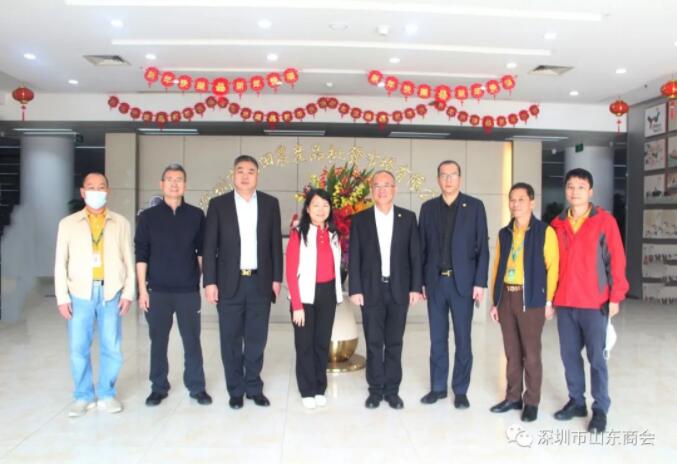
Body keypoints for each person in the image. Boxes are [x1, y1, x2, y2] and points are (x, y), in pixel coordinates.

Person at [550, 168, 628, 433]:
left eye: (581, 187)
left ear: (590, 191)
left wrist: (616, 296)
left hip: (595, 303)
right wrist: (549, 299)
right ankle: (576, 401)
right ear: (565, 190)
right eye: (570, 186)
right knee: (569, 355)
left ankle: (600, 408)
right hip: (565, 301)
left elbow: (616, 260)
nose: (575, 192)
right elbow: (551, 265)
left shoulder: (605, 222)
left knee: (597, 358)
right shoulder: (557, 224)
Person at [203, 155, 282, 409]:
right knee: (230, 340)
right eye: (240, 171)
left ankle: (254, 387)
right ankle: (235, 390)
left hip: (260, 282)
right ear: (233, 174)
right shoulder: (219, 204)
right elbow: (209, 246)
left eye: (251, 171)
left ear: (257, 175)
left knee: (257, 339)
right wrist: (210, 281)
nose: (245, 176)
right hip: (229, 283)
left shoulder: (270, 204)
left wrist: (277, 278)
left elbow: (275, 245)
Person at [54, 172, 135, 417]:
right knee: (78, 348)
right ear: (83, 192)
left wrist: (128, 292)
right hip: (80, 293)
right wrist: (62, 297)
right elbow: (60, 263)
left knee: (112, 347)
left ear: (107, 191)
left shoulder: (120, 223)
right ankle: (84, 396)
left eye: (101, 187)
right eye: (91, 187)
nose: (96, 192)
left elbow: (128, 259)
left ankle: (107, 394)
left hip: (111, 292)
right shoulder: (68, 224)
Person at [135, 164, 212, 407]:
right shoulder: (148, 217)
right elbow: (141, 255)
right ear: (162, 184)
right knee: (158, 342)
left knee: (192, 340)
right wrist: (142, 290)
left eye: (179, 179)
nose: (174, 183)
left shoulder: (196, 215)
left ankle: (197, 387)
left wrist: (202, 281)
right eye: (169, 179)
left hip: (187, 292)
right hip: (157, 291)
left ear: (185, 185)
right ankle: (158, 387)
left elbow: (202, 252)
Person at [349, 170, 422, 409]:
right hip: (371, 289)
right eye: (377, 186)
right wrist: (355, 288)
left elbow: (415, 256)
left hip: (399, 289)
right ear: (372, 190)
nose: (382, 190)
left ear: (394, 189)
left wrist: (415, 287)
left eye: (386, 185)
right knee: (373, 342)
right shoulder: (360, 220)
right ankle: (375, 390)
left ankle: (392, 391)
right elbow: (354, 257)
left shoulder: (408, 218)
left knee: (394, 342)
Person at [418, 160, 489, 409]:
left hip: (463, 285)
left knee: (463, 339)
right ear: (438, 179)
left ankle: (460, 390)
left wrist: (479, 282)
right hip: (435, 282)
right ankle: (438, 388)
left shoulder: (475, 206)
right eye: (444, 175)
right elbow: (421, 249)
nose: (448, 179)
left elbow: (483, 249)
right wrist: (420, 282)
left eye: (453, 175)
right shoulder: (428, 208)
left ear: (460, 178)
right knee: (437, 338)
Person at [488, 182, 559, 422]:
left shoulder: (544, 232)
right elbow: (497, 267)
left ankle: (532, 402)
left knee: (531, 353)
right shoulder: (504, 233)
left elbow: (553, 267)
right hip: (506, 296)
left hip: (531, 299)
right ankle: (513, 397)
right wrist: (495, 301)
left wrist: (548, 300)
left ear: (532, 202)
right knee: (511, 352)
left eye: (521, 199)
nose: (515, 204)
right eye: (512, 199)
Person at [285, 189, 343, 409]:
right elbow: (291, 271)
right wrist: (297, 305)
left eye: (325, 205)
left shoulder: (334, 234)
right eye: (316, 205)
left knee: (321, 343)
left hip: (328, 295)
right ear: (308, 209)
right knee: (305, 344)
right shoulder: (298, 233)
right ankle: (307, 389)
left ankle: (320, 387)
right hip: (304, 296)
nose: (321, 210)